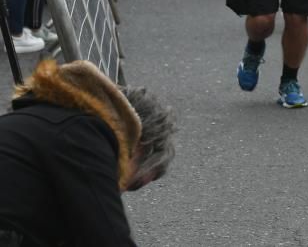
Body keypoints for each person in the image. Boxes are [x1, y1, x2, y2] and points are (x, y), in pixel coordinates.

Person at [0, 59, 176, 246]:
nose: (121, 190)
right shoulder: (85, 135)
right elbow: (109, 238)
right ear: (140, 145)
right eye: (135, 183)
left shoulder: (47, 117)